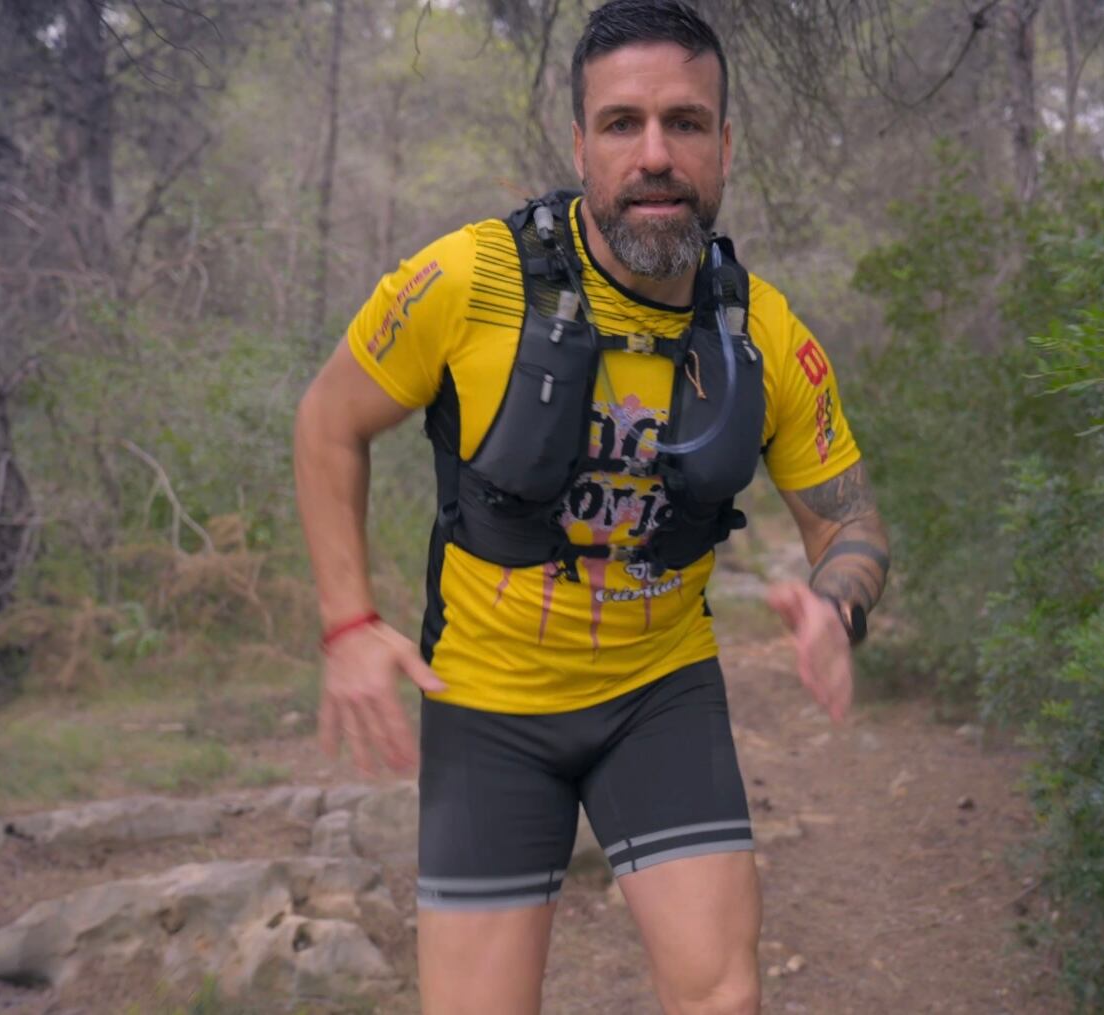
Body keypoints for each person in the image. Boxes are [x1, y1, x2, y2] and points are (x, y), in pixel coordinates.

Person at [292, 2, 888, 1011]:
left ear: (724, 144)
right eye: (622, 124)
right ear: (579, 145)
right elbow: (326, 421)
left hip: (660, 693)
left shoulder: (764, 334)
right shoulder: (466, 280)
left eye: (684, 122)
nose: (654, 155)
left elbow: (850, 522)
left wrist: (838, 607)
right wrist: (347, 623)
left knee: (722, 996)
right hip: (486, 701)